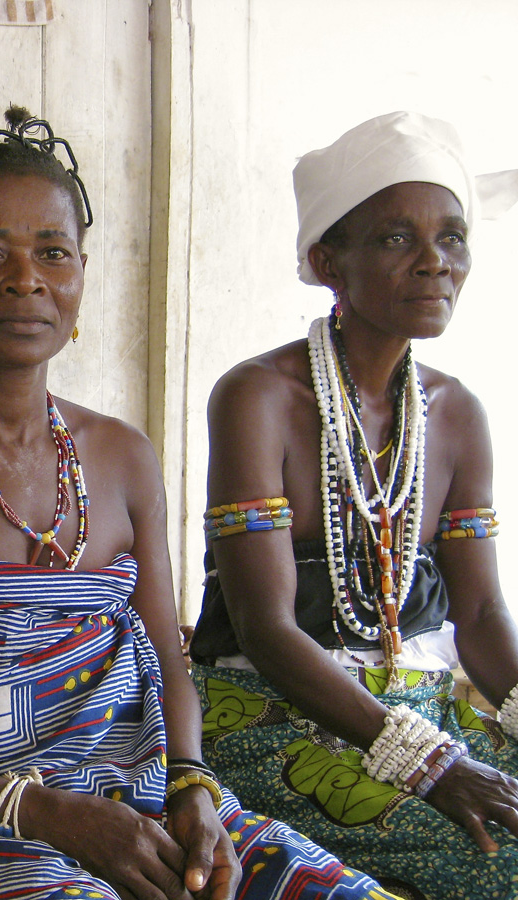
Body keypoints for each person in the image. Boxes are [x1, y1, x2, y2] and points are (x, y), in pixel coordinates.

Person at [0, 106, 397, 900]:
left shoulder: (123, 457)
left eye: (53, 253)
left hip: (147, 805)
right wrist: (46, 814)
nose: (26, 279)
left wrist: (195, 788)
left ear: (81, 272)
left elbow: (166, 654)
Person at [191, 111, 518, 900]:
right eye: (397, 239)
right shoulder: (259, 397)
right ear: (326, 261)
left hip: (425, 709)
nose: (436, 263)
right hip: (276, 719)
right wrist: (431, 765)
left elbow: (477, 617)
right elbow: (267, 631)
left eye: (453, 238)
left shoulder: (457, 411)